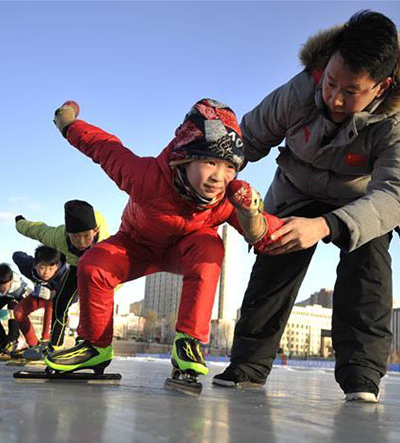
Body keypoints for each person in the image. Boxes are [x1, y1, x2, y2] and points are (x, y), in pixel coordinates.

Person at [212, 10, 400, 403]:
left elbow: (396, 192)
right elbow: (247, 139)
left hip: (359, 202)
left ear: (382, 87)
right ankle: (247, 365)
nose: (335, 98)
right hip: (296, 188)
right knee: (276, 257)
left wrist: (326, 225)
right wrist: (211, 173)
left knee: (370, 263)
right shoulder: (300, 90)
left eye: (351, 91)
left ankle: (361, 375)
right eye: (330, 83)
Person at [45, 97, 283, 386]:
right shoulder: (145, 177)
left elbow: (266, 235)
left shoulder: (226, 199)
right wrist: (69, 124)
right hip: (135, 247)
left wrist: (254, 213)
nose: (219, 178)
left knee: (209, 246)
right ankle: (95, 347)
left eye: (229, 167)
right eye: (210, 162)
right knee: (93, 264)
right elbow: (104, 147)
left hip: (184, 252)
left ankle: (189, 341)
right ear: (184, 157)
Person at [14, 200, 110, 359]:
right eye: (75, 237)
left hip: (99, 268)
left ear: (96, 230)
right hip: (75, 266)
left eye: (86, 236)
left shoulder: (106, 240)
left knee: (91, 304)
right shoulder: (57, 236)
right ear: (67, 233)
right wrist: (20, 223)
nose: (81, 243)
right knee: (60, 302)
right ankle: (55, 348)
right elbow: (37, 230)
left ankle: (90, 345)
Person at [10, 245, 68, 360]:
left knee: (51, 302)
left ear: (56, 266)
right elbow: (16, 255)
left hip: (60, 298)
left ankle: (47, 342)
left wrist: (53, 294)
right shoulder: (28, 267)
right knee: (18, 312)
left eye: (51, 269)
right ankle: (34, 346)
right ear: (35, 265)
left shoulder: (65, 273)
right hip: (39, 295)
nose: (46, 272)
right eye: (42, 267)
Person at [0, 263, 29, 356]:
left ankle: (12, 341)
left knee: (14, 311)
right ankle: (3, 342)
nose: (1, 288)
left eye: (4, 285)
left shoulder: (20, 286)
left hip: (16, 294)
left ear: (11, 281)